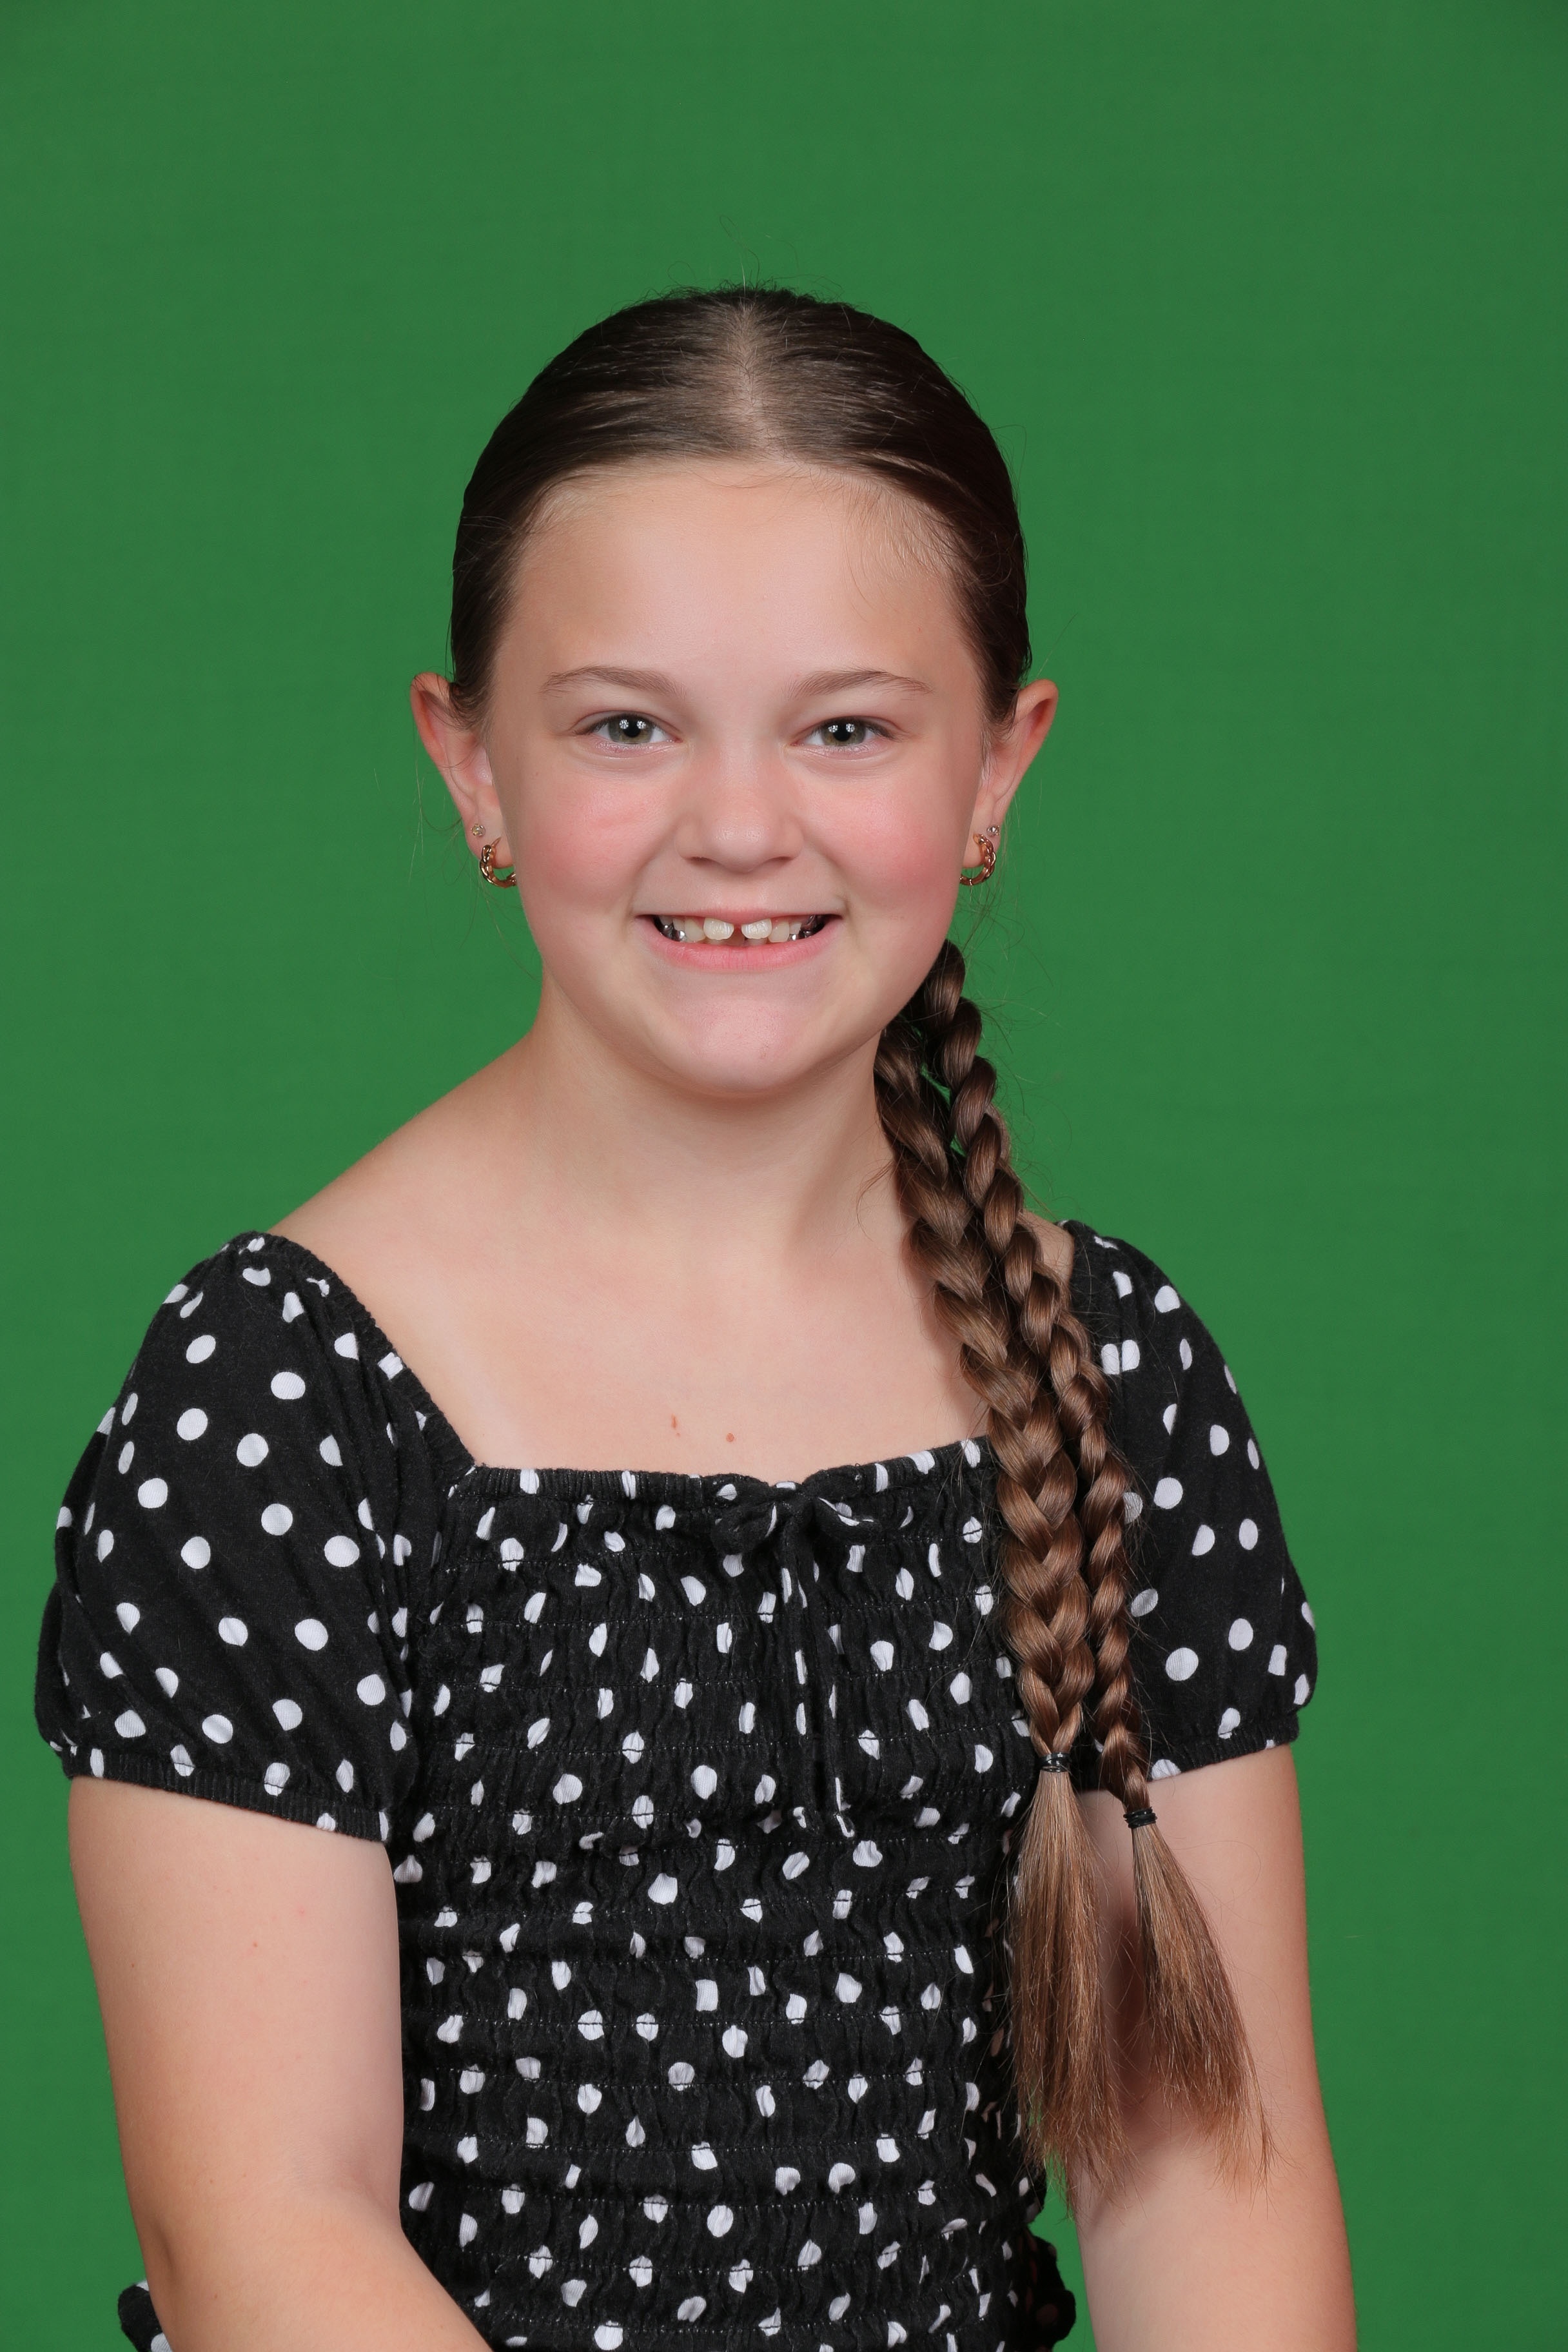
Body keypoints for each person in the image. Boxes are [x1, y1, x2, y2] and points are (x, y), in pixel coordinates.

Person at [37, 287, 1355, 2352]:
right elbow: (262, 2231)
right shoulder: (279, 1400)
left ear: (999, 766)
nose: (740, 827)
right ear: (470, 763)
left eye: (847, 729)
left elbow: (1207, 2175)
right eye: (627, 726)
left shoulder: (1105, 1371)